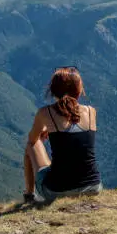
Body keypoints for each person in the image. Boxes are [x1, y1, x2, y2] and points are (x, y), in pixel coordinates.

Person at [23, 66, 102, 204]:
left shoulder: (45, 113)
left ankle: (29, 195)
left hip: (57, 191)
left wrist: (44, 133)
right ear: (79, 90)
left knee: (31, 145)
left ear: (53, 91)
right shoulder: (91, 112)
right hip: (93, 187)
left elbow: (32, 139)